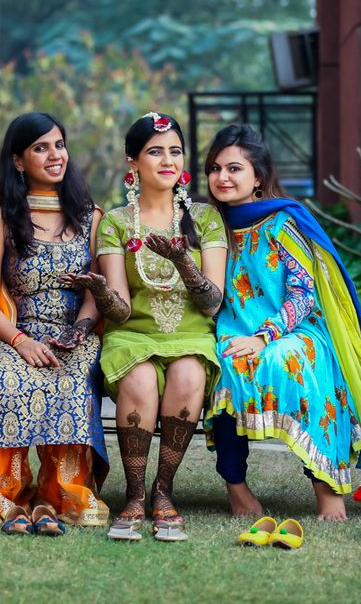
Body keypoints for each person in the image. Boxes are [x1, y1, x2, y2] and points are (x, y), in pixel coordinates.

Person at [203, 123, 361, 523]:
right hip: (232, 330)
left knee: (295, 360)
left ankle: (328, 490)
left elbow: (304, 293)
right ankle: (236, 488)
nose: (222, 177)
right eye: (215, 168)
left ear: (258, 177)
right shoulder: (210, 227)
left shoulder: (281, 222)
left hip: (293, 329)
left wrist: (264, 336)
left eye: (234, 168)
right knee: (227, 365)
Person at [0, 112, 109, 531]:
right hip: (14, 332)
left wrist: (78, 332)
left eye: (60, 145)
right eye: (40, 147)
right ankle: (4, 492)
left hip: (76, 333)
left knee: (74, 374)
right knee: (6, 379)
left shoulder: (91, 217)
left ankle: (63, 493)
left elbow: (95, 294)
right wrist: (21, 341)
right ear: (18, 160)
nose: (55, 155)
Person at [67, 112, 227, 542]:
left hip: (191, 335)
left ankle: (164, 492)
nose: (167, 159)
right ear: (132, 163)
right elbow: (118, 313)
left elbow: (213, 303)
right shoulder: (117, 223)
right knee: (137, 379)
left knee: (190, 372)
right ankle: (135, 495)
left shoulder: (206, 220)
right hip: (132, 335)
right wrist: (100, 290)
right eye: (155, 151)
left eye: (175, 151)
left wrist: (182, 262)